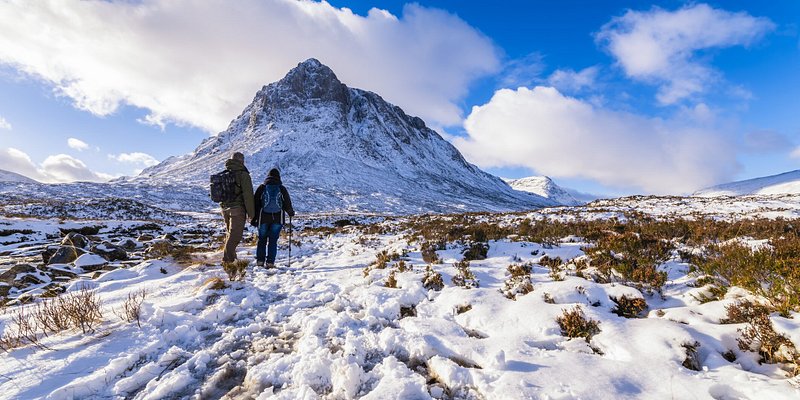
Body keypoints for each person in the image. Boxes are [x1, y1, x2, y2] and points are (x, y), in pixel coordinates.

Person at [252, 168, 295, 268]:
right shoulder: (281, 188)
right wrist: (290, 212)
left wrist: (254, 218)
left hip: (263, 218)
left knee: (262, 240)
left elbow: (256, 203)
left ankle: (260, 262)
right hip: (277, 218)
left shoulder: (262, 188)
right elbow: (287, 203)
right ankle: (270, 262)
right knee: (273, 241)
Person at [219, 152, 255, 264]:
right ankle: (228, 261)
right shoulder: (243, 175)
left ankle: (232, 258)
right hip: (237, 209)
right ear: (242, 161)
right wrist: (252, 213)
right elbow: (248, 196)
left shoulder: (224, 174)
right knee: (235, 236)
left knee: (230, 234)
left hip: (225, 209)